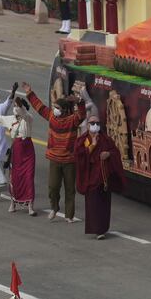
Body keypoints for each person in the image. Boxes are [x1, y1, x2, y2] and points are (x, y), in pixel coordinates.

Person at [23, 82, 86, 223]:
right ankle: (54, 208)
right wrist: (29, 93)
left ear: (64, 110)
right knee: (53, 187)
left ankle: (69, 216)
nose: (55, 109)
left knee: (70, 189)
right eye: (55, 107)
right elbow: (39, 107)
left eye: (57, 108)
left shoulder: (72, 120)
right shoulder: (51, 116)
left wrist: (80, 102)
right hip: (54, 159)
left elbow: (81, 115)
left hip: (69, 160)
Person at [0, 97, 36, 216]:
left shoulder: (28, 118)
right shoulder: (10, 119)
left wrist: (20, 106)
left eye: (17, 106)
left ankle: (30, 205)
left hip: (28, 151)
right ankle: (13, 202)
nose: (15, 108)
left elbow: (24, 113)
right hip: (16, 150)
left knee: (28, 177)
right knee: (14, 177)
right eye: (14, 106)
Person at [75, 115, 126, 239]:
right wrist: (92, 145)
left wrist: (108, 154)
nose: (95, 125)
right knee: (93, 204)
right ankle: (95, 228)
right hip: (91, 176)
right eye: (92, 123)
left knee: (103, 204)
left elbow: (116, 152)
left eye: (97, 123)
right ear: (87, 125)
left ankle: (102, 230)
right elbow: (78, 155)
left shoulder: (106, 139)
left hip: (103, 177)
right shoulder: (83, 139)